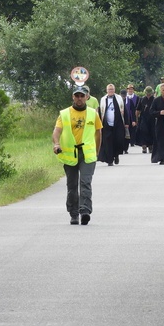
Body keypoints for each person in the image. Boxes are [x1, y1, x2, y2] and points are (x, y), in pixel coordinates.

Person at [52, 86, 103, 225]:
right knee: (72, 185)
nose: (79, 98)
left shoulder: (93, 113)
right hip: (70, 155)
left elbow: (98, 133)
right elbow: (56, 131)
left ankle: (85, 211)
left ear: (87, 97)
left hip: (87, 155)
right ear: (73, 97)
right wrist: (56, 144)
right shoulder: (64, 114)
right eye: (77, 96)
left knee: (85, 183)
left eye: (82, 96)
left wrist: (97, 152)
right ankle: (73, 213)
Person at [98, 83, 126, 166]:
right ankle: (110, 160)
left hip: (118, 123)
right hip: (106, 124)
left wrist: (127, 122)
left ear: (114, 90)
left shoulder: (119, 98)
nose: (110, 91)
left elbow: (124, 110)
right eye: (109, 89)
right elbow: (100, 112)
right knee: (107, 142)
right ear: (107, 91)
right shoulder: (103, 99)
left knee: (117, 141)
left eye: (112, 89)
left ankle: (116, 155)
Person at [135, 86, 155, 154]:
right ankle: (144, 146)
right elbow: (138, 110)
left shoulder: (154, 99)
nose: (148, 95)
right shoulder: (142, 99)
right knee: (143, 131)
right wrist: (136, 118)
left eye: (149, 93)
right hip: (143, 118)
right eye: (147, 93)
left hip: (152, 118)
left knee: (151, 132)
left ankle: (150, 146)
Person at [119, 88, 135, 154]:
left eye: (124, 95)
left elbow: (133, 111)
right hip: (119, 120)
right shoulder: (118, 101)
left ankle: (126, 148)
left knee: (127, 135)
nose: (123, 97)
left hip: (128, 119)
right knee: (120, 135)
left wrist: (133, 120)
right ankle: (121, 148)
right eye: (122, 96)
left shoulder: (130, 101)